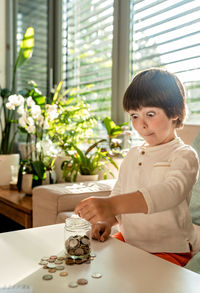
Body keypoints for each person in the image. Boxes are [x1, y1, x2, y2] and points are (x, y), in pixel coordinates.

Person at [74, 68, 200, 266]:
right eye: (134, 115)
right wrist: (107, 221)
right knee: (92, 264)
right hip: (130, 240)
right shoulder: (132, 154)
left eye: (150, 114)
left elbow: (170, 192)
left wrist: (111, 204)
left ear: (175, 112)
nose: (141, 124)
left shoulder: (184, 155)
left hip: (170, 247)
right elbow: (120, 192)